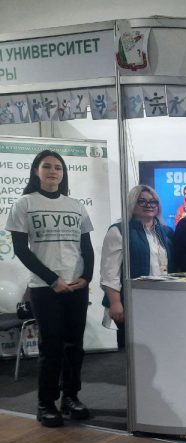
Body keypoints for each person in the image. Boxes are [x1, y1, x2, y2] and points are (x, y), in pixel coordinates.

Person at [5, 150, 94, 427]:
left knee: (74, 346)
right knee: (51, 347)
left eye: (58, 167)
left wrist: (86, 278)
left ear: (63, 173)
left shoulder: (75, 206)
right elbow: (21, 250)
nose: (53, 171)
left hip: (76, 286)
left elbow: (86, 247)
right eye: (47, 166)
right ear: (36, 171)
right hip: (45, 288)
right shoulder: (25, 204)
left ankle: (71, 397)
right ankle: (46, 404)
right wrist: (53, 279)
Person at [100, 185, 173, 349]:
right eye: (142, 201)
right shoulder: (119, 231)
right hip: (132, 302)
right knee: (135, 351)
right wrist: (115, 303)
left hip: (162, 301)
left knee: (161, 347)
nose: (149, 205)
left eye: (153, 201)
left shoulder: (166, 232)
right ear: (132, 204)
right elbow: (109, 272)